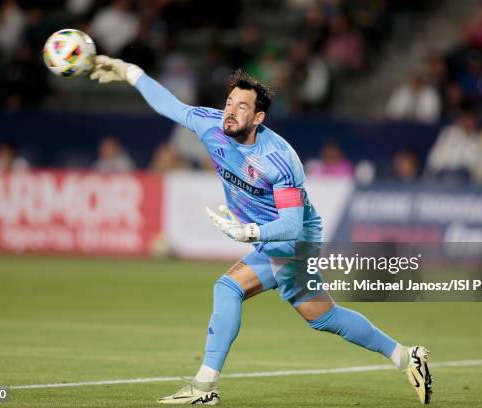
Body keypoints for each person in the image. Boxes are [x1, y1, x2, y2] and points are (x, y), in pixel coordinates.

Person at [90, 56, 433, 405]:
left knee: (234, 290)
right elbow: (169, 105)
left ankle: (204, 388)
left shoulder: (279, 158)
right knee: (318, 315)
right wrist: (129, 72)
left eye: (241, 107)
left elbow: (292, 224)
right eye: (228, 103)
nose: (230, 111)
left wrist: (249, 233)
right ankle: (406, 356)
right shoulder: (211, 125)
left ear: (258, 118)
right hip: (268, 235)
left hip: (294, 239)